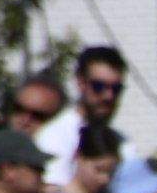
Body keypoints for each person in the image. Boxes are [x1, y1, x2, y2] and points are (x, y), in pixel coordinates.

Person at [39, 47, 134, 185]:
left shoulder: (123, 143)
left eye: (116, 89)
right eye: (99, 86)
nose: (109, 96)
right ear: (81, 83)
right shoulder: (55, 136)